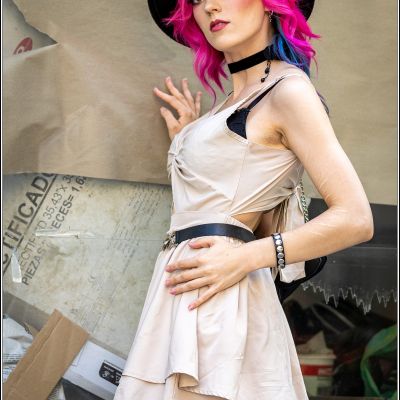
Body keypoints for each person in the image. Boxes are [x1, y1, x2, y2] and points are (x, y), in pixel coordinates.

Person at [114, 0, 374, 398]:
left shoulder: (287, 92)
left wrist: (245, 257)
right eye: (196, 0)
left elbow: (355, 218)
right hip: (187, 293)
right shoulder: (230, 104)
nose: (210, 6)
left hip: (222, 299)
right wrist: (190, 139)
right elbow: (236, 193)